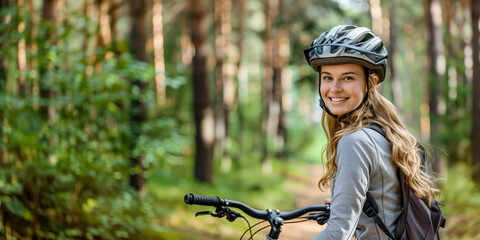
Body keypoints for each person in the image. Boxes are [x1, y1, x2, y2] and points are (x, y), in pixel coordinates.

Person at [303, 25, 439, 239]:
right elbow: (387, 201)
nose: (335, 88)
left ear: (370, 84)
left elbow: (338, 233)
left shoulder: (355, 141)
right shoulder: (383, 132)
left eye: (348, 78)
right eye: (328, 77)